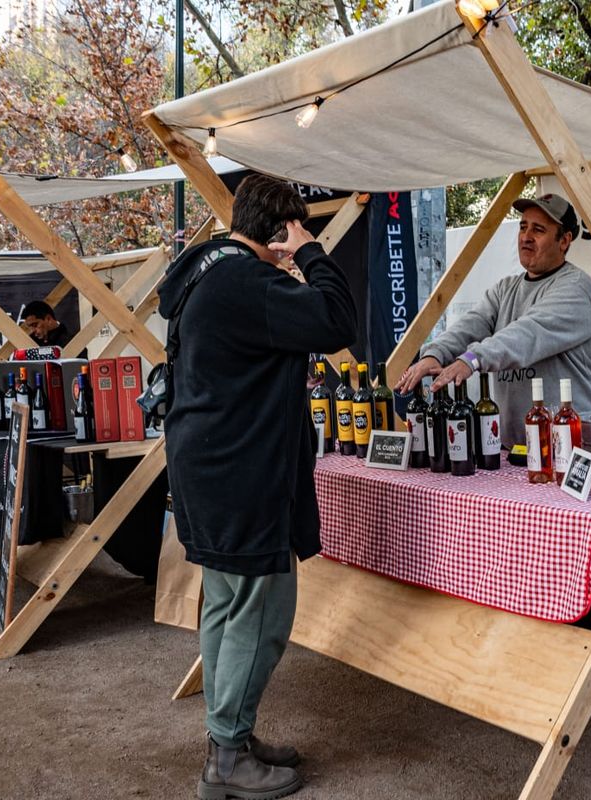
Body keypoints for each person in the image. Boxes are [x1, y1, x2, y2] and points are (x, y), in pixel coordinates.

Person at [160, 175, 357, 800]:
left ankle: (231, 738)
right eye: (293, 232)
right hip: (242, 473)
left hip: (207, 467)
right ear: (278, 233)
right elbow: (337, 320)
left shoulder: (204, 272)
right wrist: (310, 251)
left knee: (225, 608)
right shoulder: (249, 282)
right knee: (262, 612)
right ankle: (226, 760)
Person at [394, 193, 591, 442]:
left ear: (564, 241)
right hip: (514, 448)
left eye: (538, 230)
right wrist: (434, 354)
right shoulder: (505, 289)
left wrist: (471, 360)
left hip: (569, 447)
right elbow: (470, 325)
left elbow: (527, 334)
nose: (526, 237)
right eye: (523, 227)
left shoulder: (577, 287)